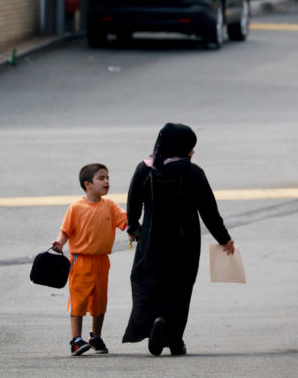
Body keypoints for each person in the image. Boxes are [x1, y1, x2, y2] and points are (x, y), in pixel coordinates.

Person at [122, 122, 235, 356]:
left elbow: (133, 202)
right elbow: (208, 211)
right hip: (185, 241)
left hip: (151, 238)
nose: (192, 152)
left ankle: (153, 321)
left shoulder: (144, 169)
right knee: (180, 288)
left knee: (146, 281)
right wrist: (224, 238)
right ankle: (173, 339)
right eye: (191, 147)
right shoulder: (192, 172)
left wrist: (133, 226)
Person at [51, 163, 129, 356]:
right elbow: (66, 230)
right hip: (81, 260)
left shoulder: (110, 205)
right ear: (88, 184)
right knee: (78, 300)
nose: (106, 182)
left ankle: (96, 336)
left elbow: (125, 222)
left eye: (108, 178)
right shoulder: (76, 207)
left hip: (102, 261)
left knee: (100, 301)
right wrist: (60, 243)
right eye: (101, 178)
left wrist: (139, 211)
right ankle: (76, 340)